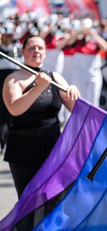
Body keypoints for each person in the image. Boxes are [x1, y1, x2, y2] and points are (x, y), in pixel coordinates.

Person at [2, 35, 80, 198]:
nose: (36, 51)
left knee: (55, 199)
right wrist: (38, 88)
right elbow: (15, 109)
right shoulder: (13, 79)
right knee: (29, 203)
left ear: (45, 53)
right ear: (23, 52)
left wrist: (72, 90)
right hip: (23, 150)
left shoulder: (55, 77)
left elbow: (76, 109)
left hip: (52, 147)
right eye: (31, 48)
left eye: (40, 48)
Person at [0, 21, 23, 153]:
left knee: (12, 114)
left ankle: (8, 141)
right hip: (0, 85)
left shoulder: (19, 48)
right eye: (5, 34)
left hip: (15, 86)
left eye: (10, 34)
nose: (8, 37)